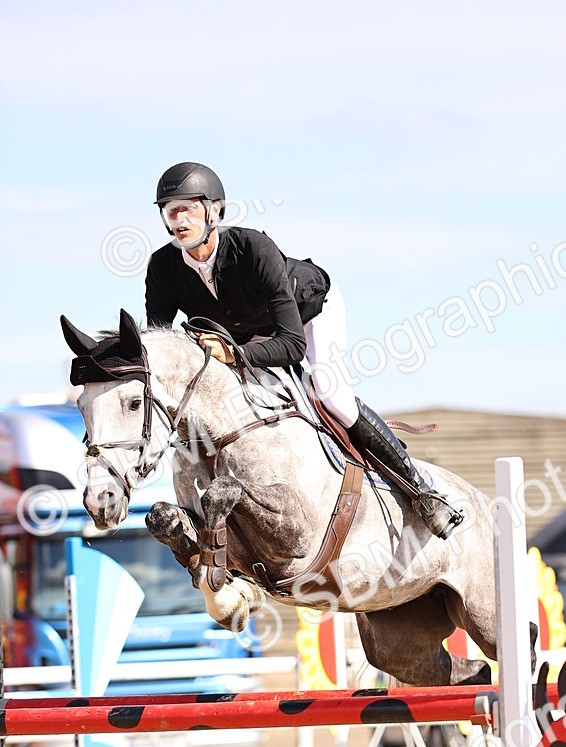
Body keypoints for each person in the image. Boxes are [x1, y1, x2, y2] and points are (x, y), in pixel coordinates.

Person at [145, 162, 462, 539]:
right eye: (171, 211)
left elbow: (293, 345)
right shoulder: (163, 267)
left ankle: (422, 490)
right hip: (244, 335)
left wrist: (235, 356)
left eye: (189, 208)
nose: (179, 218)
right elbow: (159, 345)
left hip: (308, 313)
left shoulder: (253, 249)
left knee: (331, 395)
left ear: (213, 210)